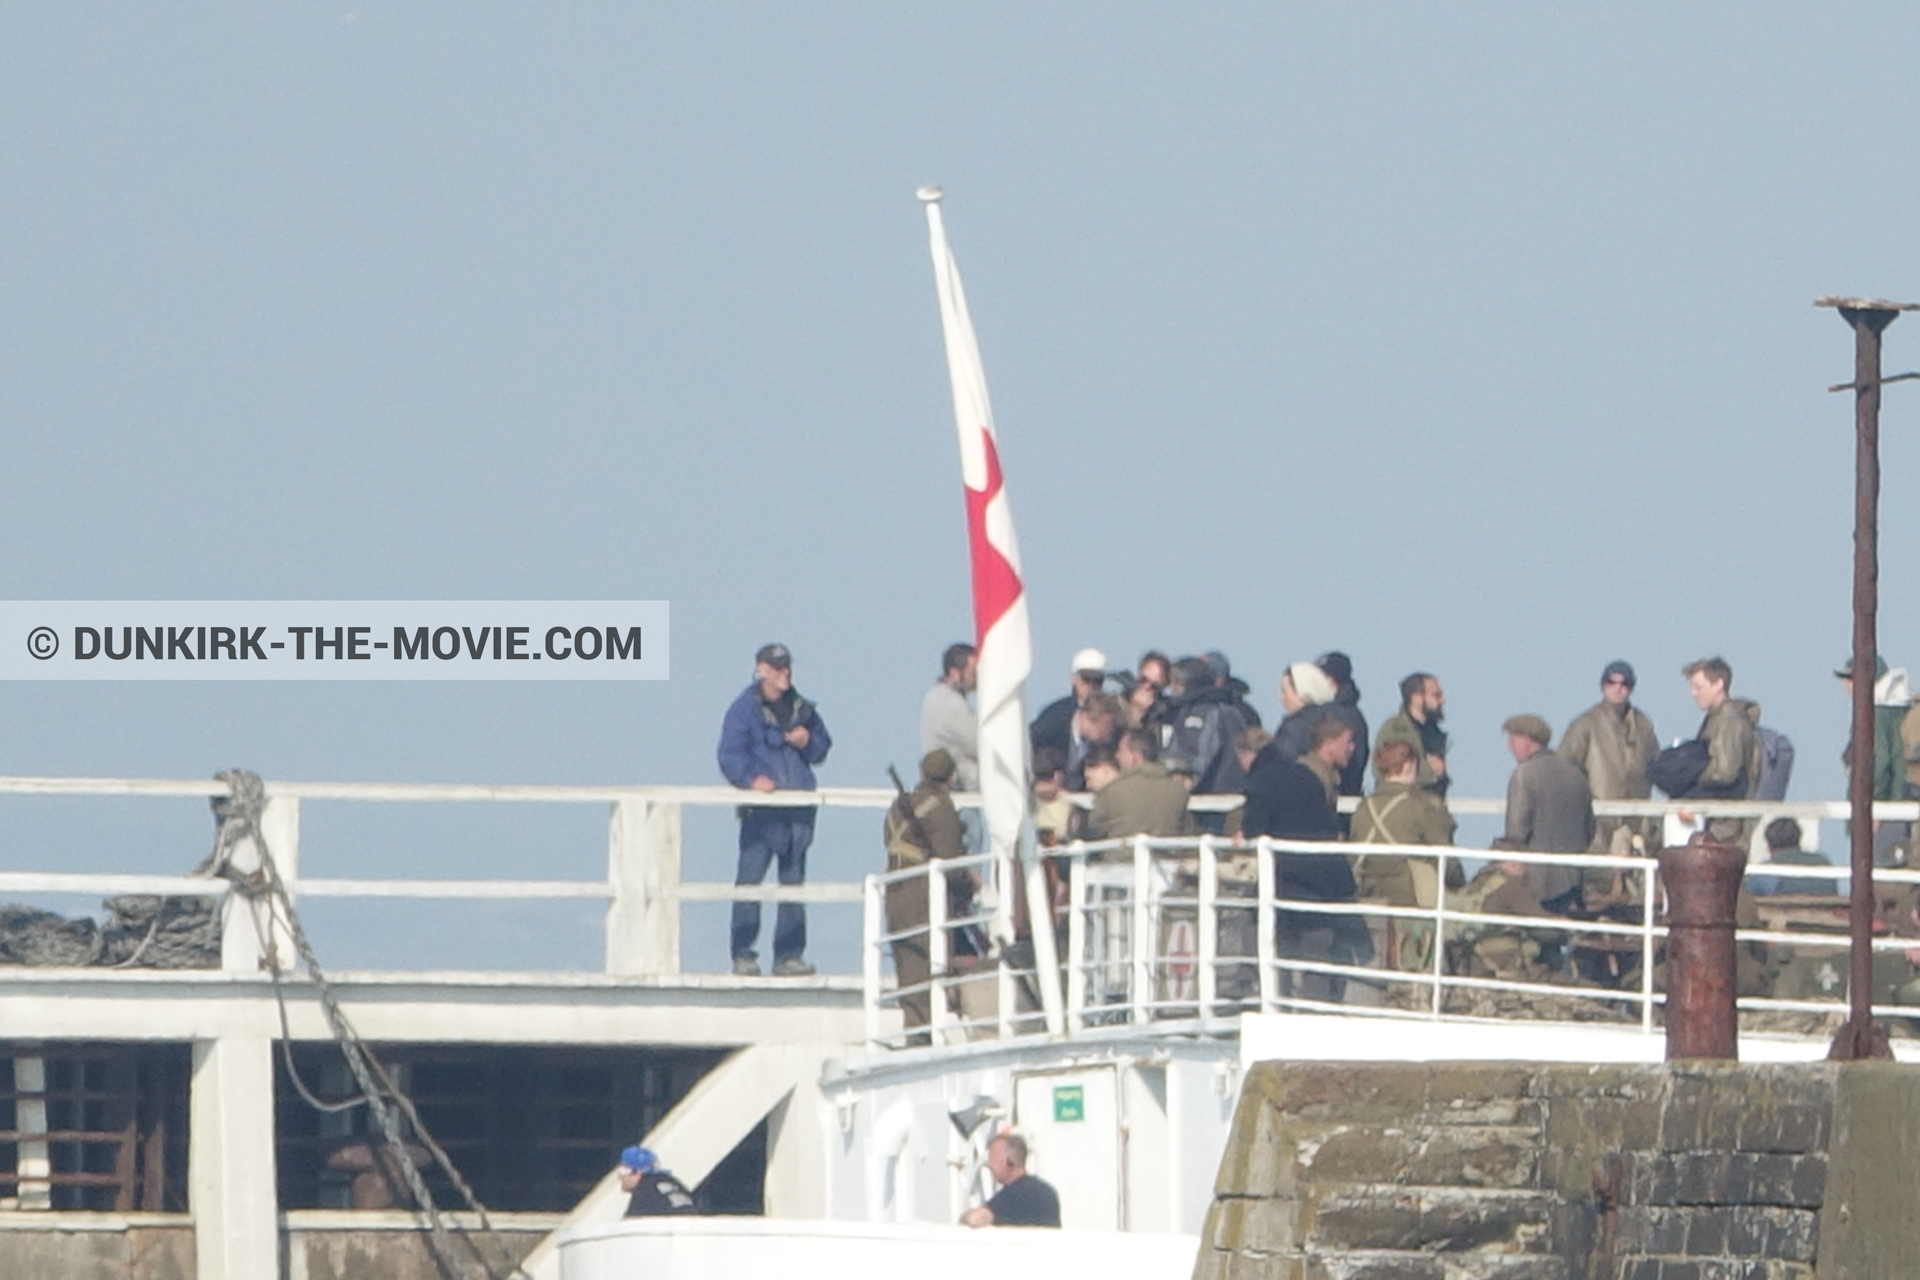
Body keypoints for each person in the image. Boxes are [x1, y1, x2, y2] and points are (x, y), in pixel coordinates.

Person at [716, 643, 832, 977]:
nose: (784, 674)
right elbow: (729, 755)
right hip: (761, 815)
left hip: (797, 813)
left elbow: (822, 748)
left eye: (787, 667)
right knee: (750, 882)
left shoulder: (801, 708)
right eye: (777, 668)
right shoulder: (743, 710)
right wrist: (752, 779)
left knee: (793, 885)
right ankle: (743, 954)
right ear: (761, 670)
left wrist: (807, 740)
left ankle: (789, 956)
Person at [1241, 718, 1371, 1001]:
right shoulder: (1313, 780)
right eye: (1348, 741)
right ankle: (1314, 1017)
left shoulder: (1265, 781)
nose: (1353, 748)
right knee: (1317, 963)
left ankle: (1277, 1009)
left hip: (1284, 883)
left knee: (1277, 959)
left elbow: (1255, 829)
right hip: (1321, 885)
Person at [883, 749, 974, 1040]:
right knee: (930, 960)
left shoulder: (899, 806)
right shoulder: (940, 805)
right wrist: (969, 886)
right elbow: (951, 859)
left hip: (895, 890)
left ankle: (916, 1029)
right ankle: (927, 1031)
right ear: (950, 777)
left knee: (907, 960)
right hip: (923, 892)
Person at [1351, 739, 1458, 972]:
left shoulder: (1363, 809)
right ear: (1410, 766)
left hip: (1371, 901)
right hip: (1415, 906)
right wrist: (1460, 885)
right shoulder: (1424, 805)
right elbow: (1447, 860)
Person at [1559, 660, 1659, 855]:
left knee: (1637, 881)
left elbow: (1657, 765)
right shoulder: (1585, 724)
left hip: (1636, 824)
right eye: (1611, 682)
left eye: (1624, 684)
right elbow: (1564, 769)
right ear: (1603, 685)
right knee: (1597, 880)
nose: (1617, 688)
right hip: (1597, 825)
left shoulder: (1643, 725)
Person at [1500, 714, 1594, 916]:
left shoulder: (1524, 774)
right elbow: (1590, 828)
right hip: (1575, 878)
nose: (1509, 747)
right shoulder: (1576, 773)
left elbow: (1516, 831)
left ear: (1527, 741)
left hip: (1539, 882)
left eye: (1512, 739)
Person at [1836, 654, 1914, 866]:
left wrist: (1872, 808)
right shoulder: (1902, 710)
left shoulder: (1875, 714)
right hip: (1903, 808)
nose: (1845, 685)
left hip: (1883, 815)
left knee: (1875, 875)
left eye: (1851, 679)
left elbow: (1878, 763)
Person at [1680, 657, 1763, 847]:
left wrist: (1688, 778)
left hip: (1726, 828)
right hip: (1723, 823)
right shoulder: (1719, 719)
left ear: (1718, 684)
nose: (1693, 693)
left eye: (1698, 687)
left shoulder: (1729, 722)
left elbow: (1726, 772)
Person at [1084, 729, 1195, 842]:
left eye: (1121, 751)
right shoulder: (1178, 791)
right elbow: (1187, 832)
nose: (1117, 756)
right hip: (1165, 857)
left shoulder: (1112, 791)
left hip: (1121, 858)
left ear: (1135, 756)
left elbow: (1093, 830)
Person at [960, 1131, 1060, 1228]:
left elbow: (975, 1219)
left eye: (992, 1158)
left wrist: (964, 1217)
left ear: (1010, 1162)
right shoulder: (1048, 1192)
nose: (988, 1165)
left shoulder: (1012, 1195)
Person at [1374, 672, 1450, 797]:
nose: (1443, 700)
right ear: (1416, 698)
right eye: (1436, 695)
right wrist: (1430, 770)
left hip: (1429, 809)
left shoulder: (1435, 734)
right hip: (1398, 806)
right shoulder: (1394, 729)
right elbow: (1382, 771)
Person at [1030, 648, 1107, 760]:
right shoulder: (1055, 715)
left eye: (1098, 681)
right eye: (1086, 679)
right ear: (1073, 679)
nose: (1092, 686)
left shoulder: (1109, 716)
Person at [920, 643, 979, 791]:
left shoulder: (937, 697)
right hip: (958, 794)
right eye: (973, 674)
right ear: (954, 673)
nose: (977, 679)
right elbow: (980, 744)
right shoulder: (949, 703)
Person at [1317, 651, 1370, 798]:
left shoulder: (1340, 716)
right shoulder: (1351, 714)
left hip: (1338, 799)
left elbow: (1354, 765)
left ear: (1332, 680)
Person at [1271, 661, 1338, 765]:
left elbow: (1282, 764)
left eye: (1284, 691)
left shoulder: (1293, 729)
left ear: (1302, 692)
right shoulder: (1334, 722)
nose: (1281, 698)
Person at [1748, 817, 1838, 896]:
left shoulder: (1762, 871)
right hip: (1824, 914)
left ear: (1768, 845)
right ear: (1798, 839)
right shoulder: (1823, 862)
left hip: (1781, 914)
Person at [618, 1145, 697, 1217]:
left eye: (623, 1170)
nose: (620, 1177)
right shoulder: (674, 1183)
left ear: (638, 1172)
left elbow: (630, 1225)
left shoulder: (645, 1190)